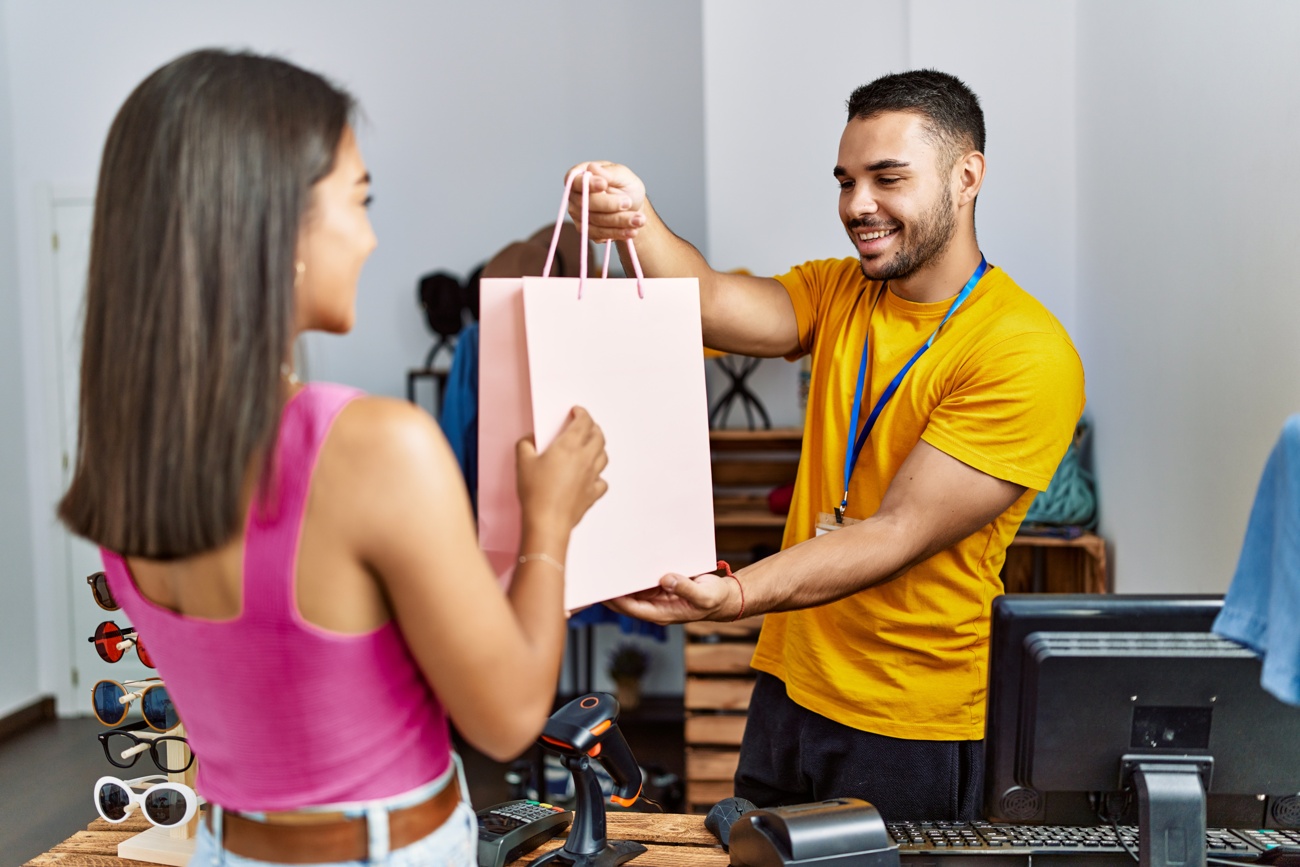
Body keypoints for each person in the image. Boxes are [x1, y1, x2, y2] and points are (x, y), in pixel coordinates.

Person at [58, 49, 608, 866]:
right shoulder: (374, 446)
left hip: (225, 847)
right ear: (276, 228)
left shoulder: (126, 461)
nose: (373, 234)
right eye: (360, 200)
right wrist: (549, 525)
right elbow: (507, 717)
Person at [569, 70, 1086, 821]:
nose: (857, 205)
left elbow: (894, 532)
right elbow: (708, 302)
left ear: (967, 175)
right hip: (791, 686)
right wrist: (636, 219)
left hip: (912, 720)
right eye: (846, 180)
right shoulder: (841, 290)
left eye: (887, 178)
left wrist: (736, 593)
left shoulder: (1025, 351)